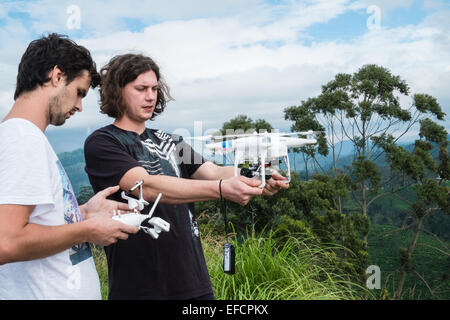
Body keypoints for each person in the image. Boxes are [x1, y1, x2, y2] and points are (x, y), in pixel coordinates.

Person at [83, 53, 289, 300]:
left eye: (154, 89)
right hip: (139, 287)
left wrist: (257, 174)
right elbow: (145, 187)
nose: (151, 96)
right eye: (141, 88)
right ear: (117, 91)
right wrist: (223, 189)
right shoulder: (103, 142)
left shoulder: (173, 142)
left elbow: (212, 172)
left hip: (194, 282)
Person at [0, 34, 139, 300]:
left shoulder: (25, 138)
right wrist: (89, 229)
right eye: (79, 93)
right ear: (56, 76)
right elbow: (6, 242)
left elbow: (34, 221)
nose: (79, 106)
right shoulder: (21, 138)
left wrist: (82, 213)